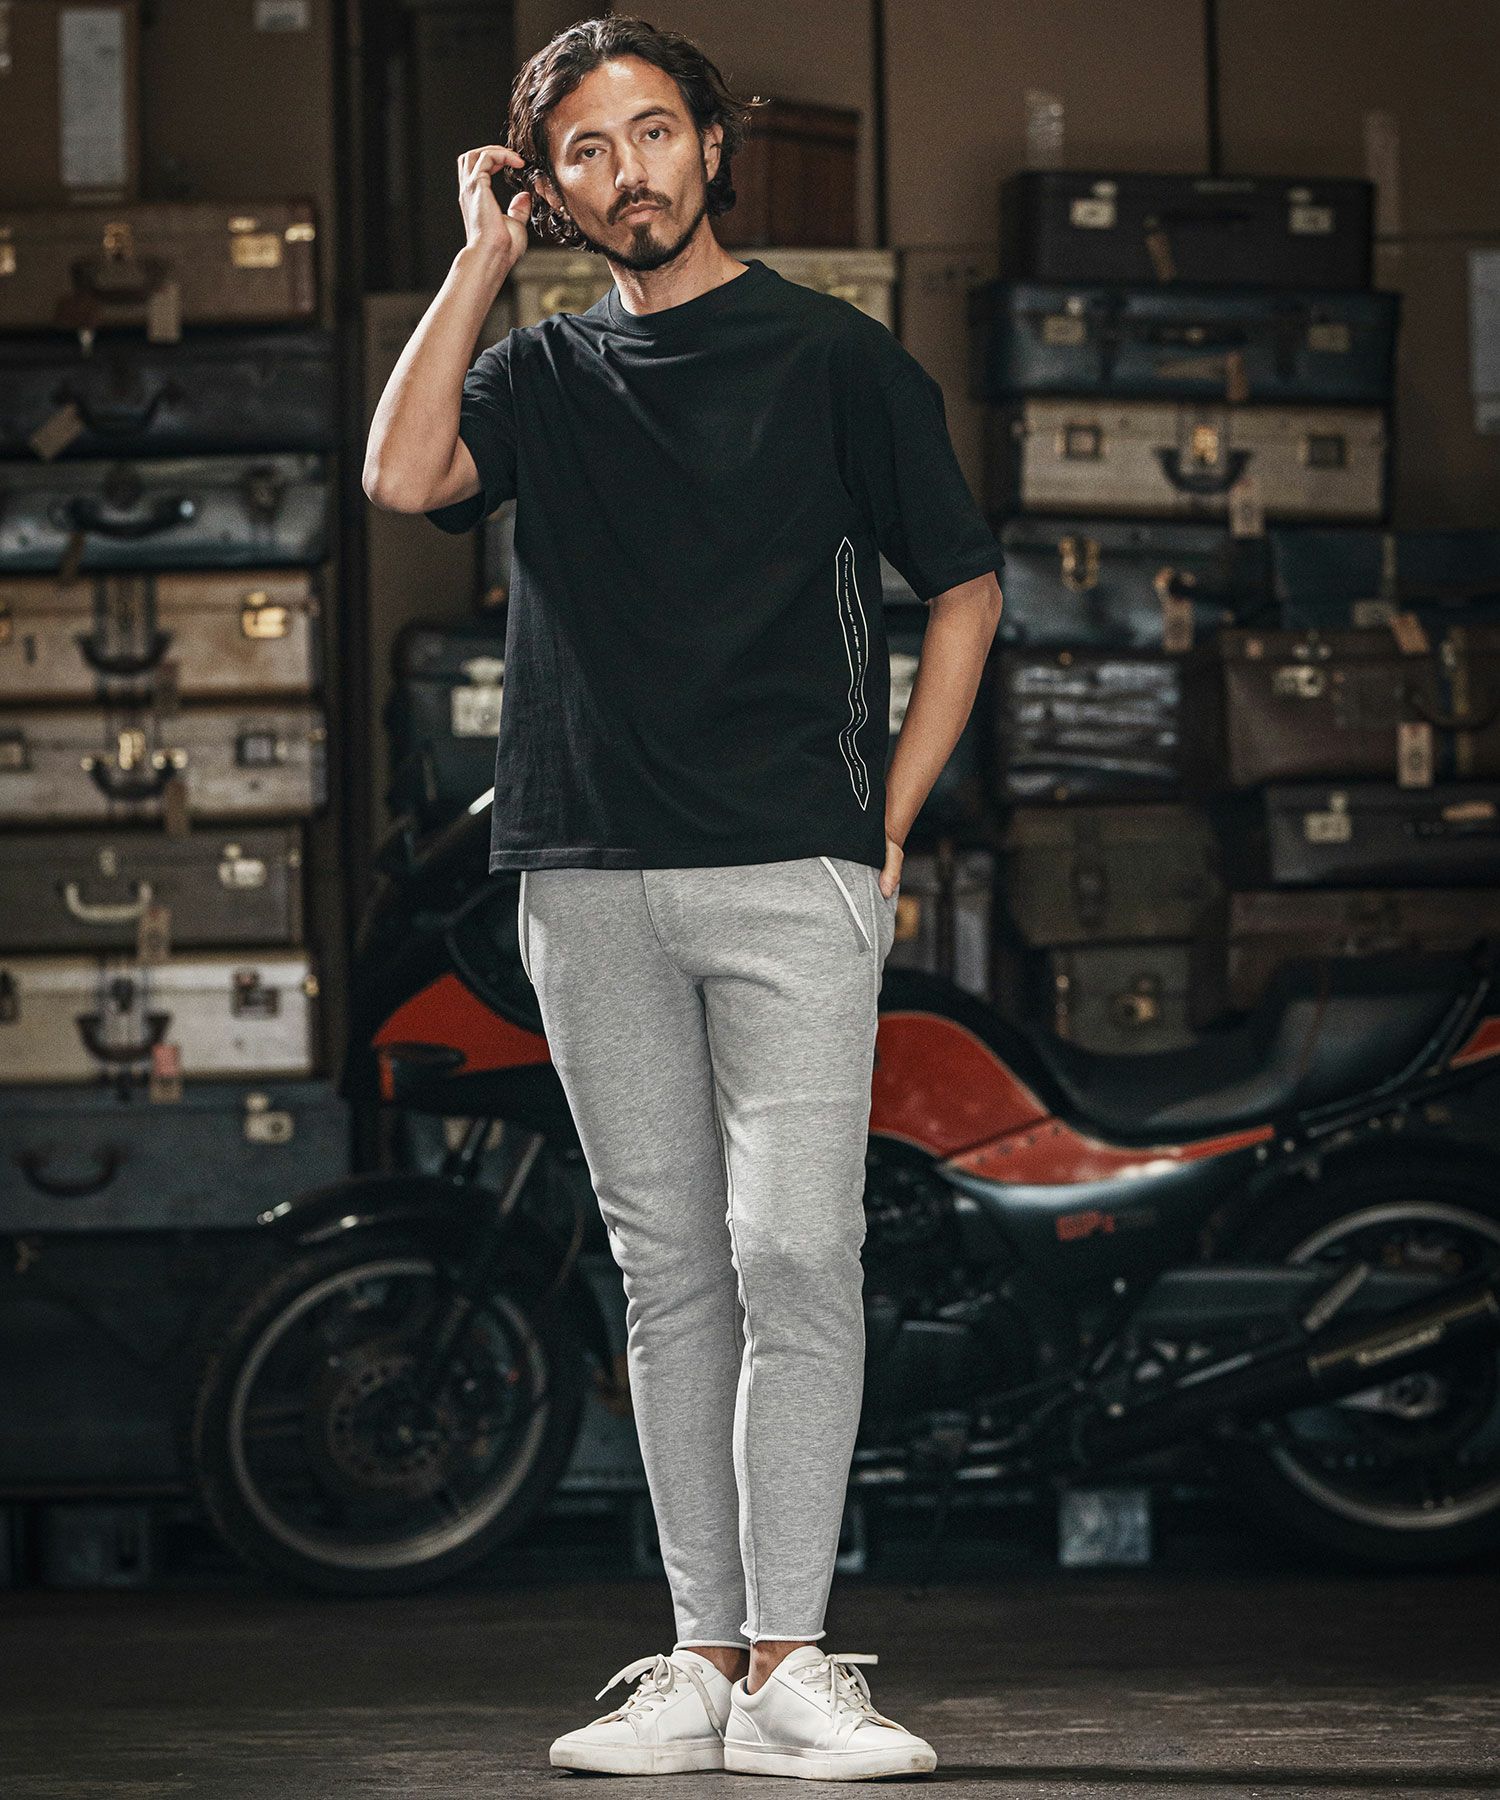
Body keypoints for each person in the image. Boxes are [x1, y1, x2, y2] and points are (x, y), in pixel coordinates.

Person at [363, 14, 1003, 1782]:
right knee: (667, 1275)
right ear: (548, 185)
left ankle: (796, 1661)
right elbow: (401, 476)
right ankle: (701, 1660)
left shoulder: (835, 359)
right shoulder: (540, 375)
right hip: (584, 879)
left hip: (792, 869)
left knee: (795, 1252)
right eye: (584, 149)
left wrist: (888, 820)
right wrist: (480, 263)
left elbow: (964, 586)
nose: (627, 171)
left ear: (715, 145)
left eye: (653, 131)